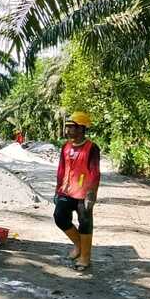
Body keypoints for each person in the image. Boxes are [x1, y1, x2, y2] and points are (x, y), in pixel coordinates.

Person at [54, 111, 100, 271]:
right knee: (59, 217)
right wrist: (57, 189)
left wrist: (91, 194)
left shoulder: (92, 148)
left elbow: (95, 173)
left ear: (81, 128)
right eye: (67, 127)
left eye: (71, 127)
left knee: (85, 223)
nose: (68, 130)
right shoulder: (65, 147)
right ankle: (79, 246)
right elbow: (61, 169)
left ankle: (85, 258)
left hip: (83, 193)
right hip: (66, 191)